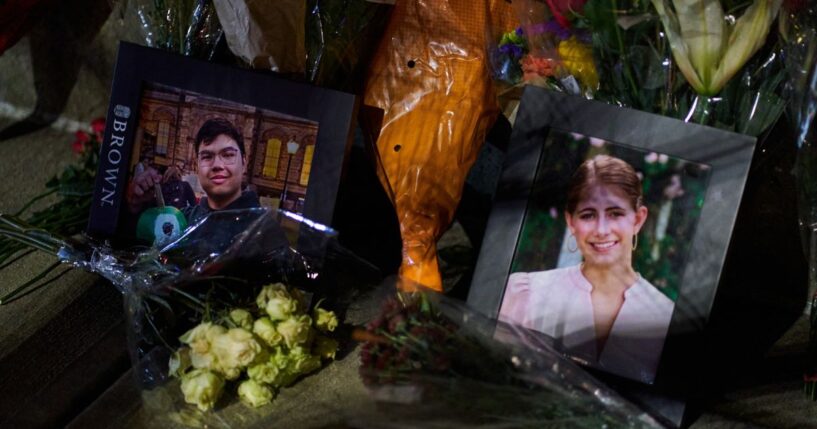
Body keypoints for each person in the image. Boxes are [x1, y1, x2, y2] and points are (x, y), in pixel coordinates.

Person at [499, 155, 674, 384]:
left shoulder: (665, 316)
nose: (601, 230)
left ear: (638, 220)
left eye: (615, 213)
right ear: (571, 222)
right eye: (588, 215)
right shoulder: (525, 293)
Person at [127, 118, 260, 226]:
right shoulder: (181, 221)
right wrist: (136, 207)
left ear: (244, 163)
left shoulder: (263, 228)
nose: (217, 165)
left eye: (228, 155)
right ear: (197, 166)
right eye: (207, 157)